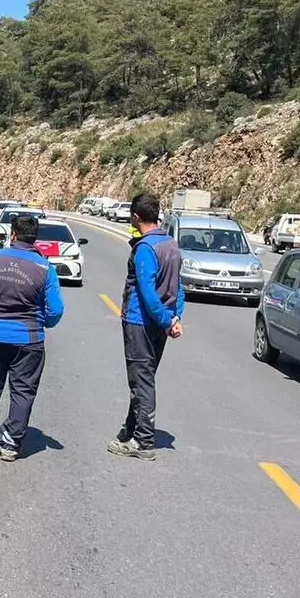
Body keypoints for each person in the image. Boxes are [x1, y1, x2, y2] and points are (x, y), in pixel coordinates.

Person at [0, 214, 64, 461]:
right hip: (29, 339)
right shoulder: (45, 268)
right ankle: (11, 443)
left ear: (13, 235)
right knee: (23, 390)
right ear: (34, 239)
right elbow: (56, 310)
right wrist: (43, 323)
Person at [111, 193, 184, 461]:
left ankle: (143, 441)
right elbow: (178, 286)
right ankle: (130, 430)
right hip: (159, 324)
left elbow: (147, 293)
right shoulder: (171, 245)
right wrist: (174, 317)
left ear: (135, 217)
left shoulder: (145, 248)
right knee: (145, 377)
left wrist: (166, 320)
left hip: (140, 321)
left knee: (141, 381)